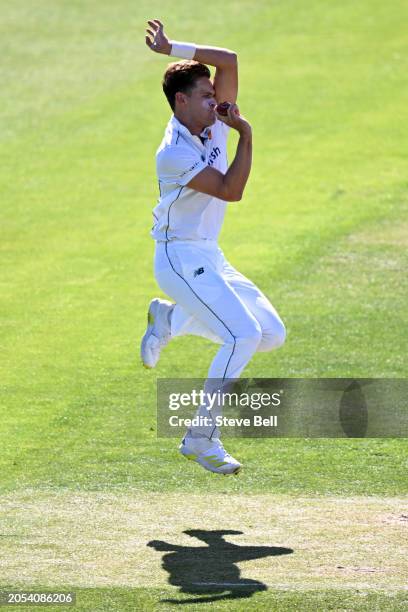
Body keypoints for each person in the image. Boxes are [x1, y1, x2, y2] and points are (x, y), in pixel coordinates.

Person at [141, 19, 286, 475]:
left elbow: (230, 60)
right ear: (181, 102)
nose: (216, 101)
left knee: (269, 335)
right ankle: (201, 437)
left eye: (214, 94)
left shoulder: (212, 117)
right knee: (240, 335)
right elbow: (229, 190)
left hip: (208, 254)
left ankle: (171, 318)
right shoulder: (173, 152)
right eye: (205, 96)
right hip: (178, 257)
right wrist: (246, 135)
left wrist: (171, 48)